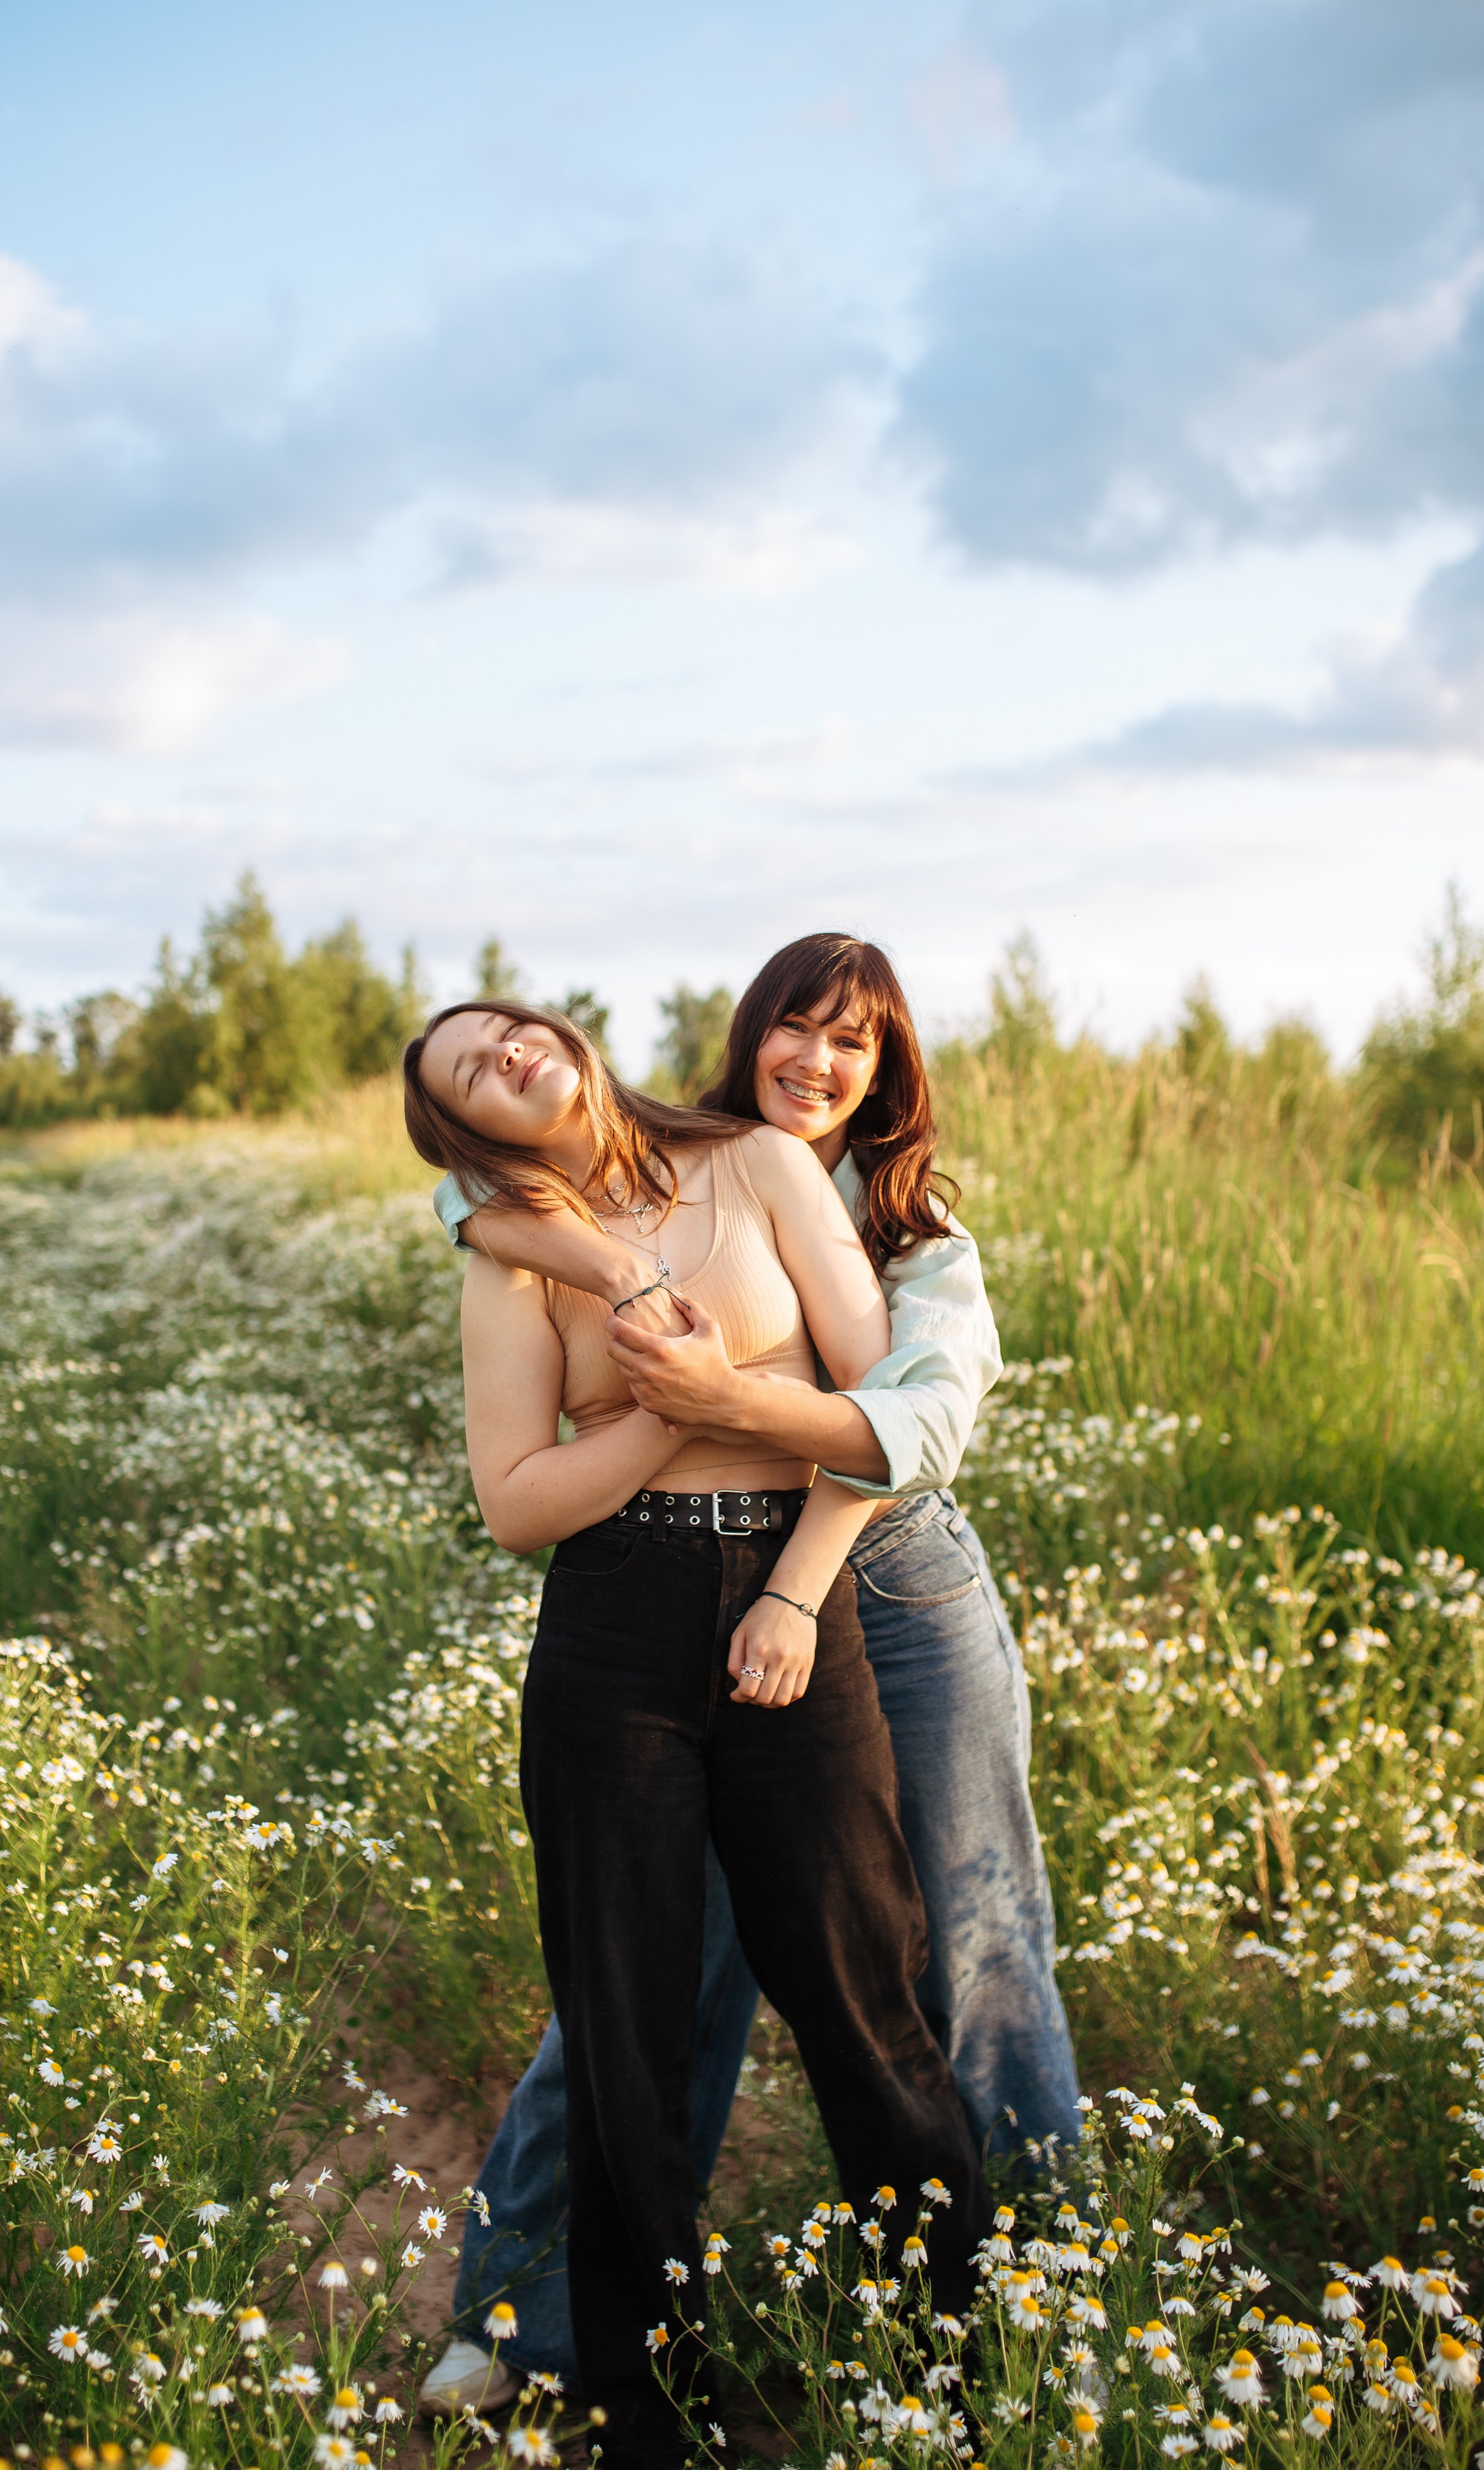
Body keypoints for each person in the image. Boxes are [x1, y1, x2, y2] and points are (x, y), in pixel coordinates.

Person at [419, 934, 1081, 2414]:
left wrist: (732, 1430)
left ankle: (1039, 2287)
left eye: (853, 1044)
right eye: (795, 1029)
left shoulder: (914, 1228)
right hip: (659, 1590)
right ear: (748, 1037)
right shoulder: (590, 1186)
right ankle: (532, 2316)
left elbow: (904, 1419)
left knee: (965, 1942)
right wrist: (596, 1265)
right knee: (658, 1980)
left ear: (888, 1073)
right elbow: (474, 1181)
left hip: (890, 1581)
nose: (818, 1062)